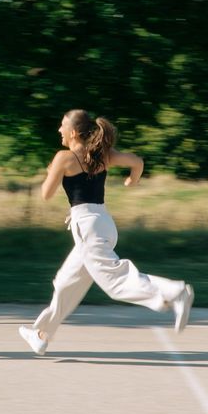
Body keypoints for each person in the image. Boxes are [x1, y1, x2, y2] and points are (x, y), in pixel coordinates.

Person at [18, 109, 194, 356]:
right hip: (103, 223)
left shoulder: (63, 157)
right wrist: (133, 180)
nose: (58, 130)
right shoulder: (101, 155)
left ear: (73, 132)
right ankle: (41, 334)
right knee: (66, 283)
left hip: (87, 227)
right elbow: (137, 162)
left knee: (115, 283)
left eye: (62, 126)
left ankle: (174, 292)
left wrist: (52, 171)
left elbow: (46, 194)